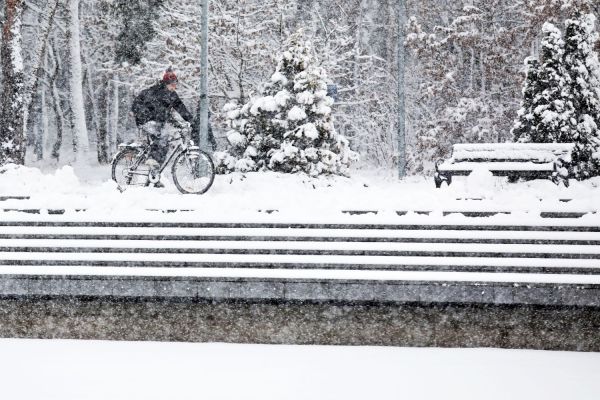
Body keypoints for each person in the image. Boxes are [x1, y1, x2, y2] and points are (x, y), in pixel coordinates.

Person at [131, 67, 194, 186]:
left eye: (175, 84)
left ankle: (154, 177)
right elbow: (161, 112)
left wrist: (190, 120)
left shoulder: (172, 95)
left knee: (164, 146)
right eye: (172, 84)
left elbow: (180, 107)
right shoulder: (156, 92)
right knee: (161, 137)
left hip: (155, 119)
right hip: (145, 118)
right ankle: (151, 159)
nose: (174, 86)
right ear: (166, 84)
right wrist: (176, 123)